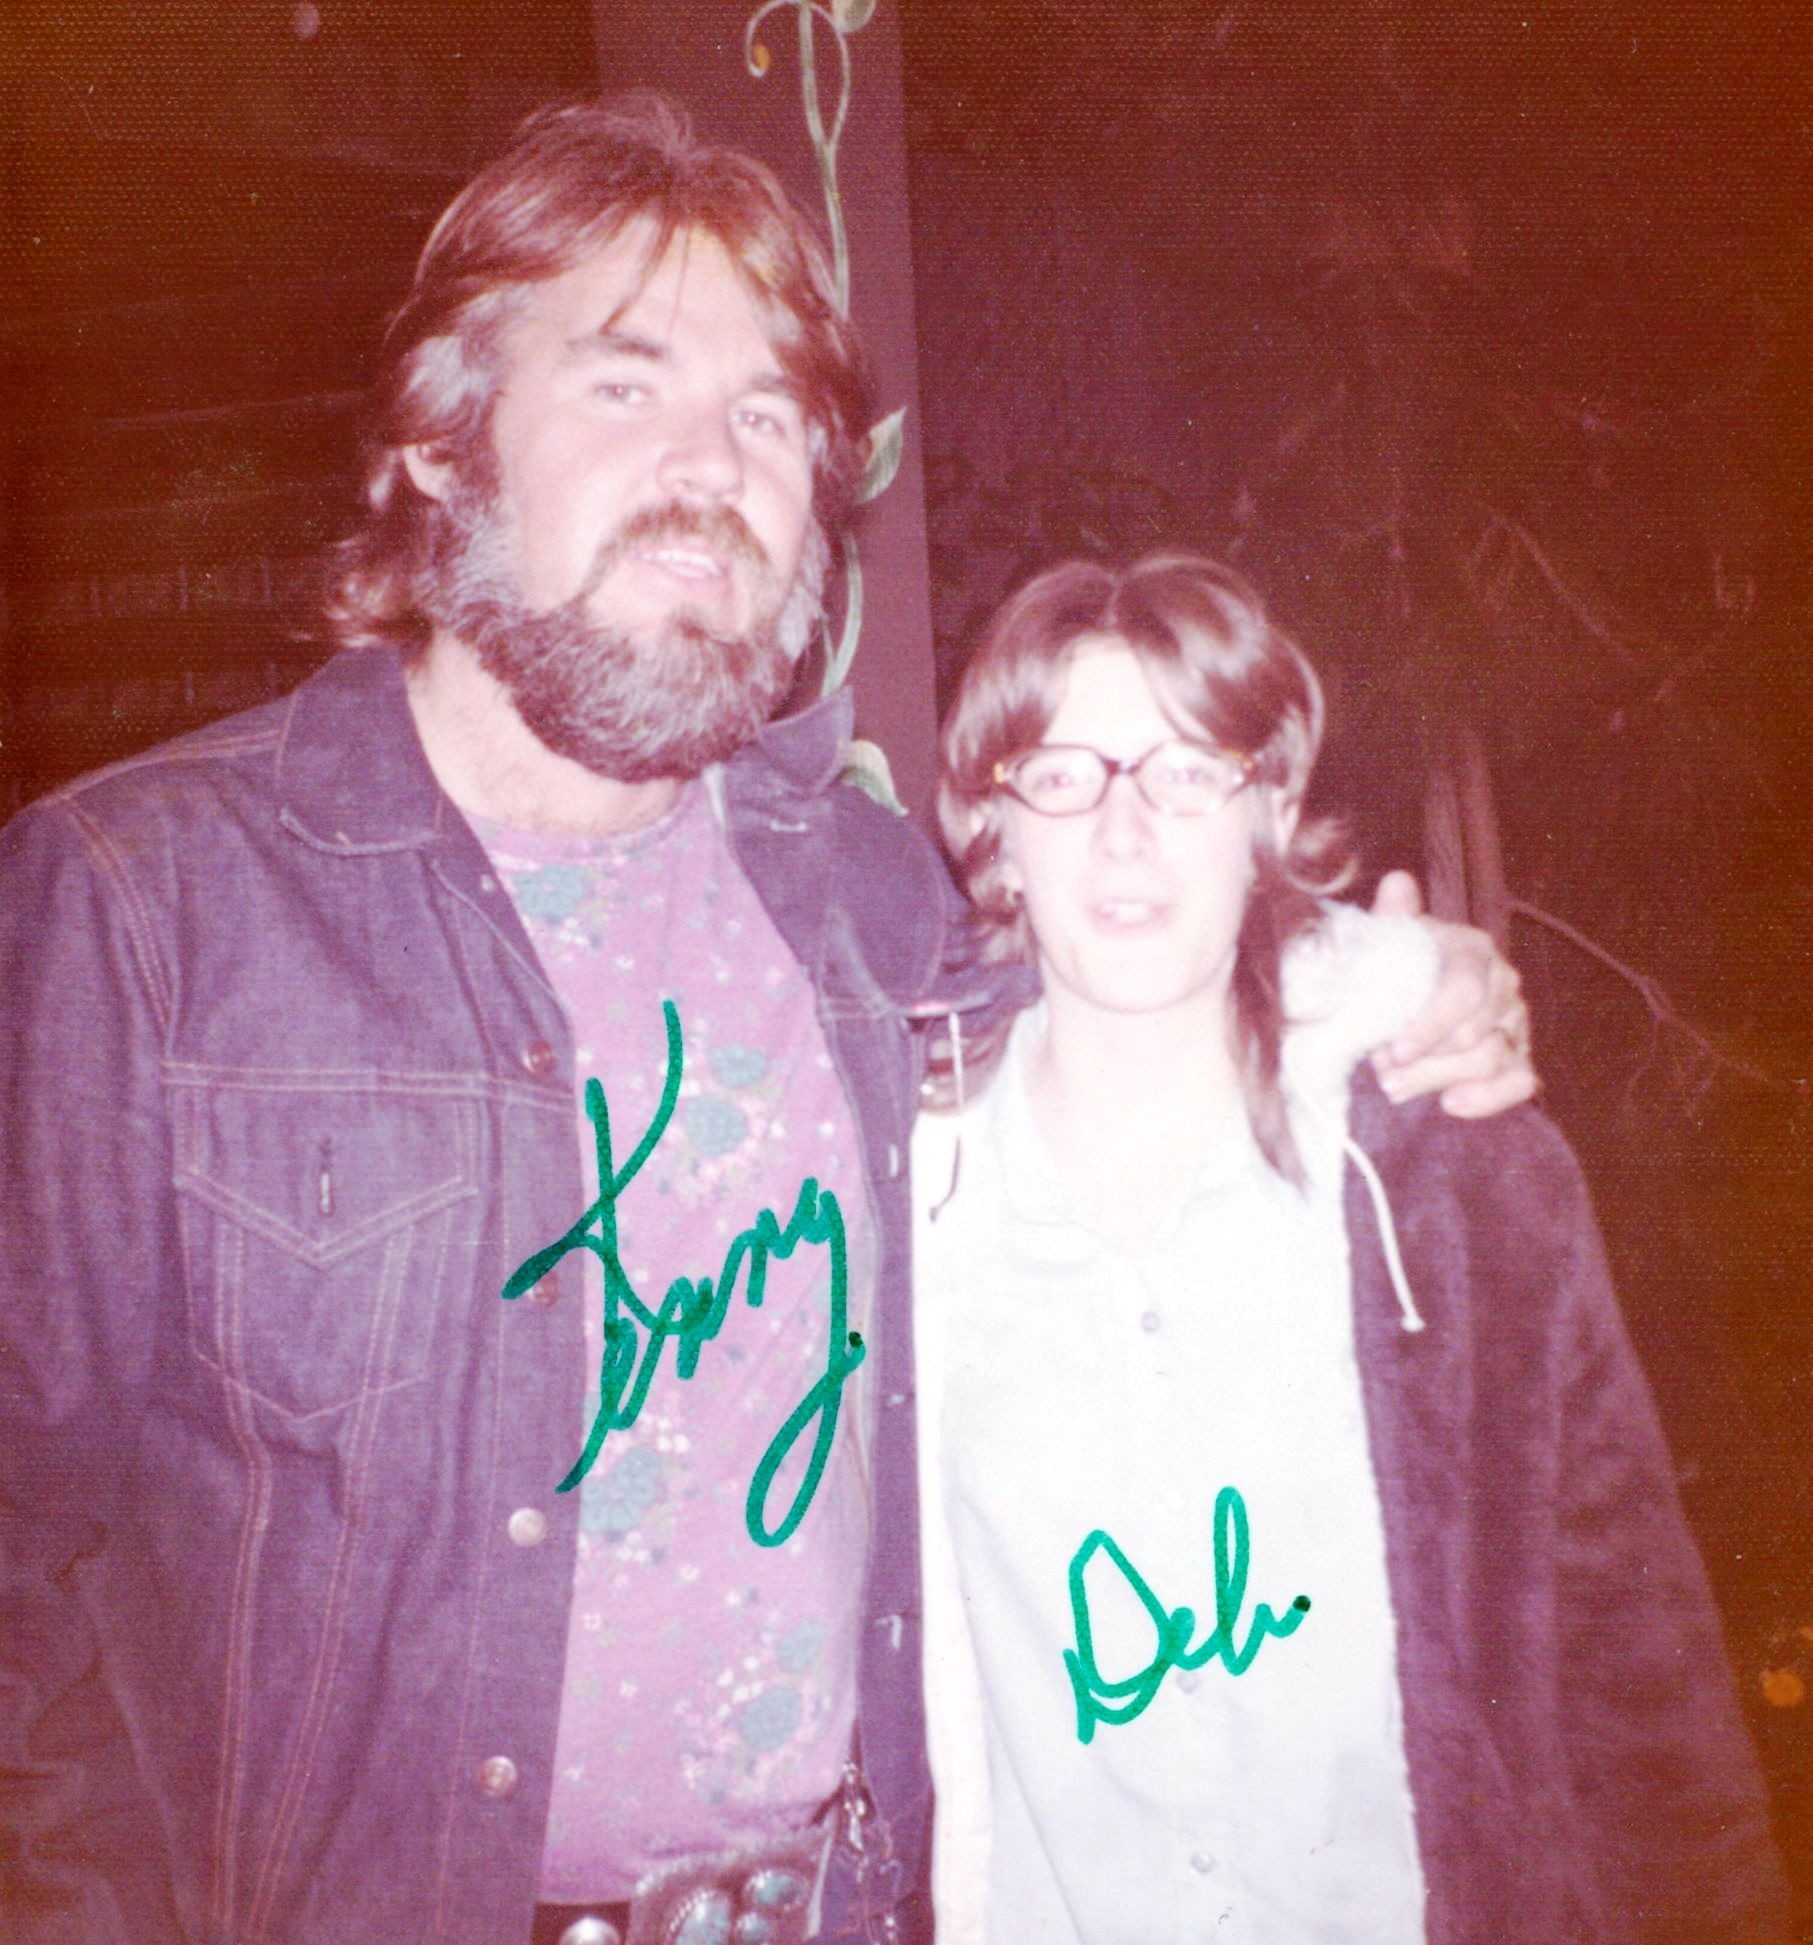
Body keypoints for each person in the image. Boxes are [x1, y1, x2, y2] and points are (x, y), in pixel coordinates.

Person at [0, 100, 1529, 1945]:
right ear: (436, 440)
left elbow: (1147, 1012)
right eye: (625, 383)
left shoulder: (865, 895)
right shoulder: (143, 909)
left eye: (768, 416)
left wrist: (1396, 986)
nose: (709, 468)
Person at [913, 553, 1787, 1942]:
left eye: (1185, 770)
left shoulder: (1457, 1173)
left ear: (1267, 808)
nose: (1125, 831)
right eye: (1063, 775)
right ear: (991, 824)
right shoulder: (901, 1208)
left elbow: (1637, 1669)